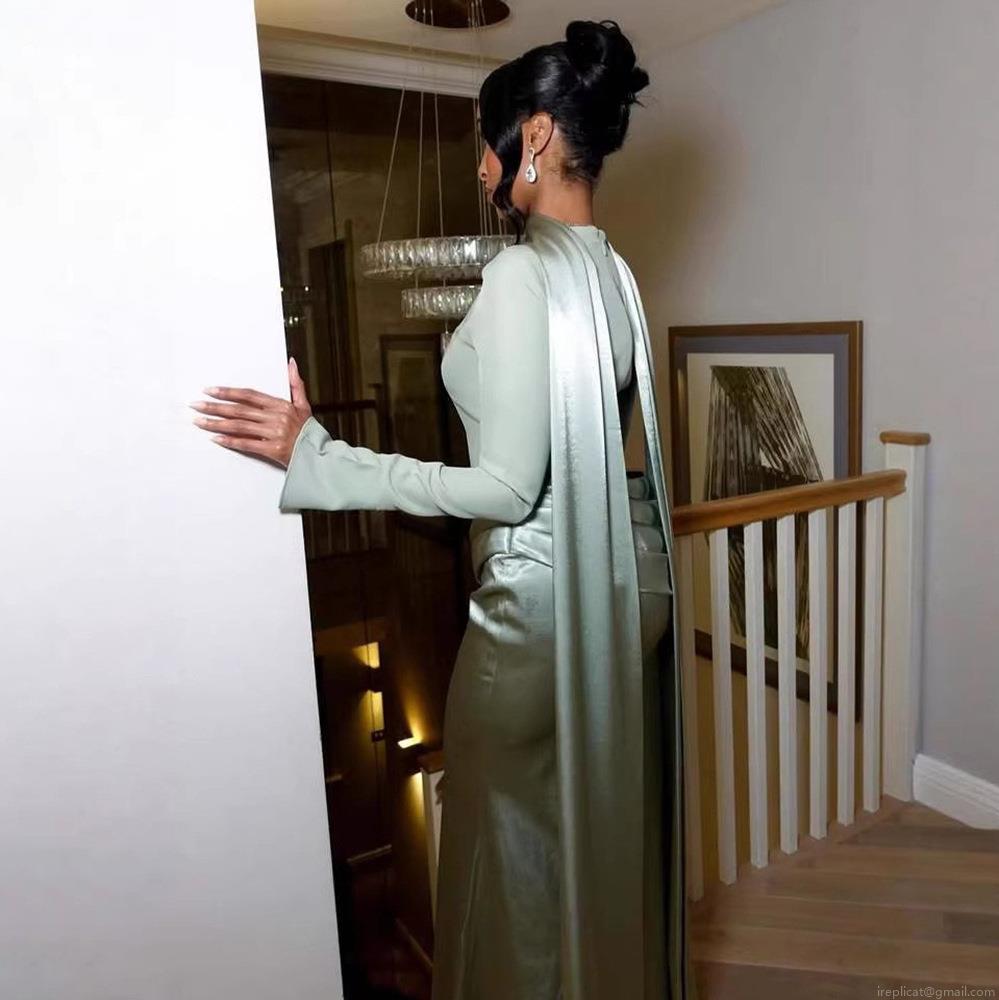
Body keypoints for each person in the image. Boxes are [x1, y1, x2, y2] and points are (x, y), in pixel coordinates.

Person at [190, 18, 694, 1000]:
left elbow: (505, 488)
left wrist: (320, 454)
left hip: (539, 608)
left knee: (501, 858)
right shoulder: (616, 276)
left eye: (488, 139)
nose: (479, 165)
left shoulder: (523, 273)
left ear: (535, 135)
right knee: (587, 839)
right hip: (626, 592)